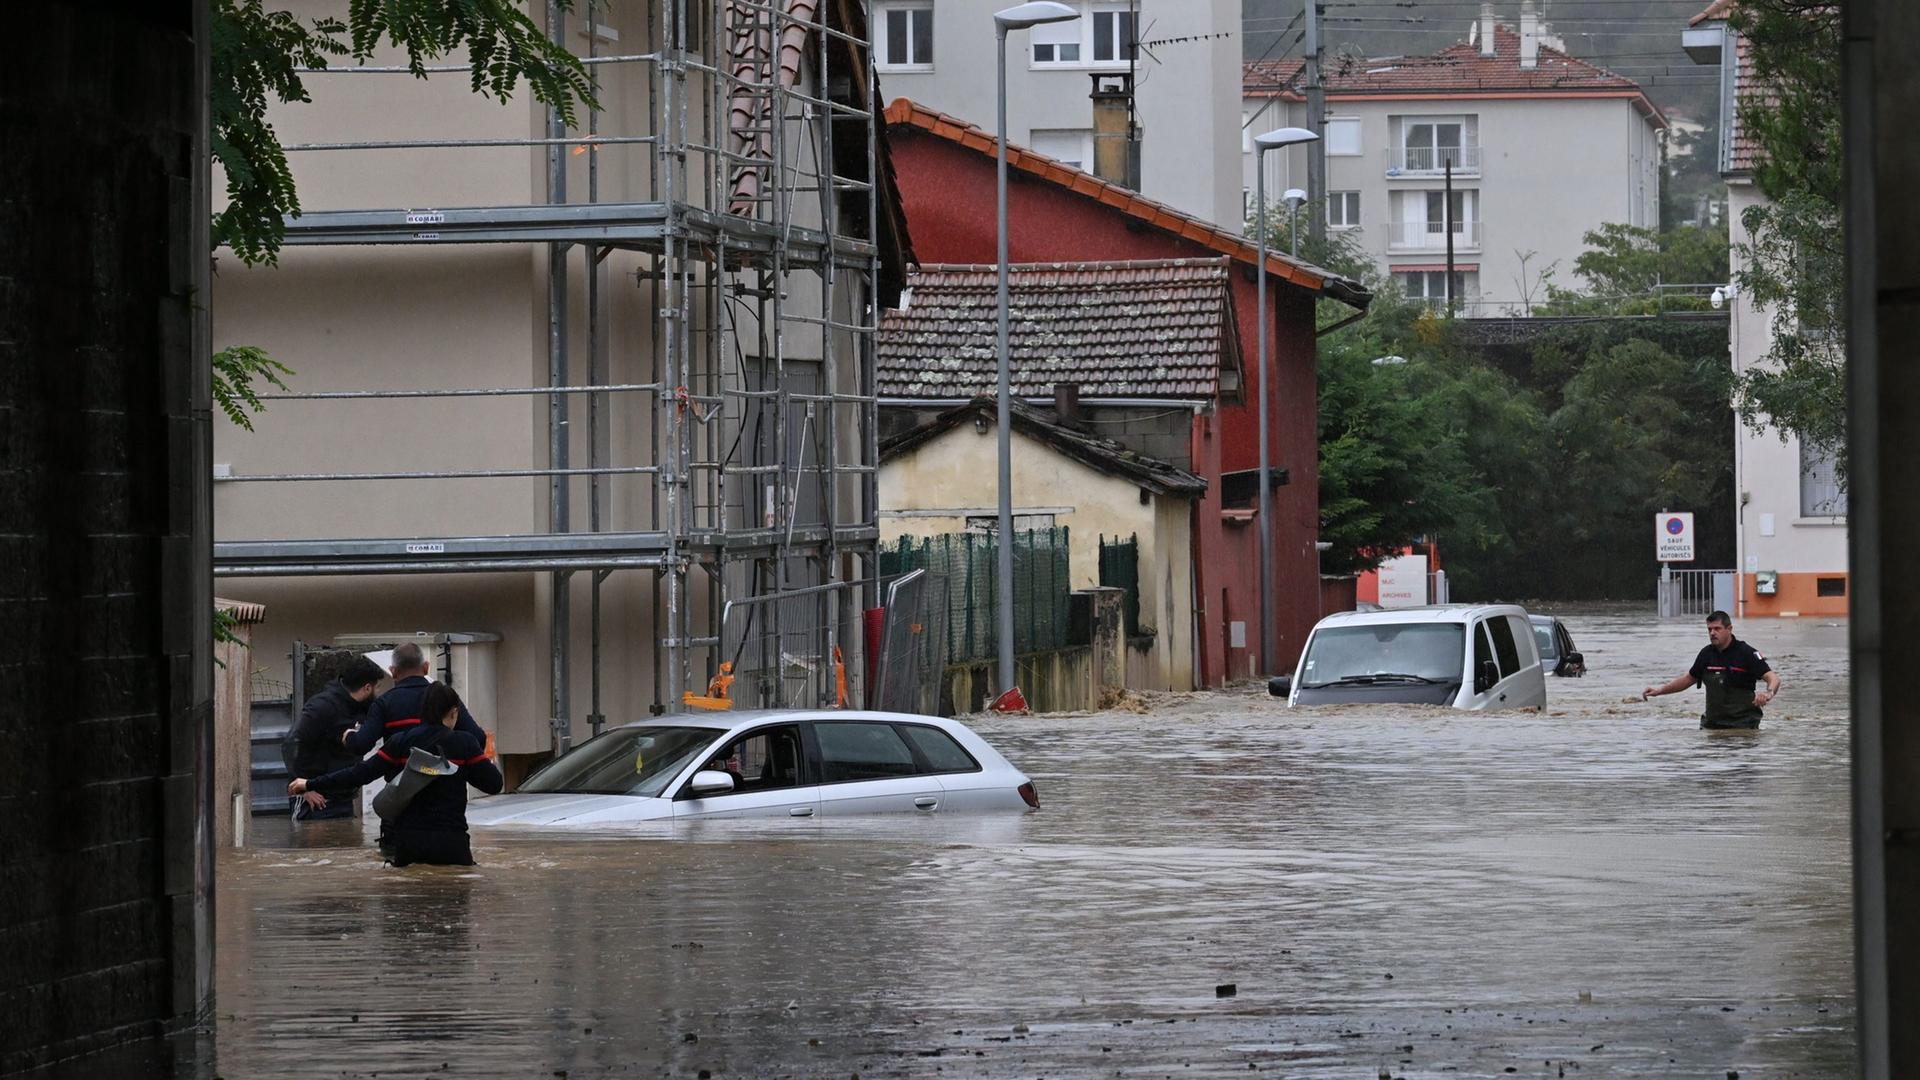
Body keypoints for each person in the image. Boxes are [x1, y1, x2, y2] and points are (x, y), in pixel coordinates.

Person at [290, 682, 502, 866]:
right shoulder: (464, 743)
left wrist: (310, 783)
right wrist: (469, 766)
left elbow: (359, 774)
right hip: (452, 843)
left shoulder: (401, 742)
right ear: (454, 712)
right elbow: (494, 784)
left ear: (423, 711)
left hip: (409, 843)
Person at [285, 656, 387, 821]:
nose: (379, 692)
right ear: (367, 688)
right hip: (315, 799)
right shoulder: (322, 706)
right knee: (312, 843)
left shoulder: (364, 708)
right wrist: (304, 789)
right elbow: (291, 744)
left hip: (343, 797)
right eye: (378, 688)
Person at [1643, 610, 1782, 730]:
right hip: (1712, 724)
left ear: (1729, 629)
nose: (1712, 633)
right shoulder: (1706, 654)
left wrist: (1768, 694)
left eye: (1717, 629)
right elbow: (1688, 679)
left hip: (1743, 725)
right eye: (1709, 629)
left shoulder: (1747, 653)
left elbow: (1773, 678)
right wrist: (1659, 691)